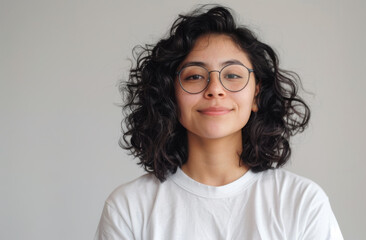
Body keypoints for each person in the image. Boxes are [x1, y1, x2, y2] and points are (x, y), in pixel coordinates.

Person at [94, 5, 343, 240]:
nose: (215, 89)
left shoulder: (301, 202)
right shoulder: (128, 207)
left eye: (232, 75)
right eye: (194, 76)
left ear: (256, 94)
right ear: (171, 95)